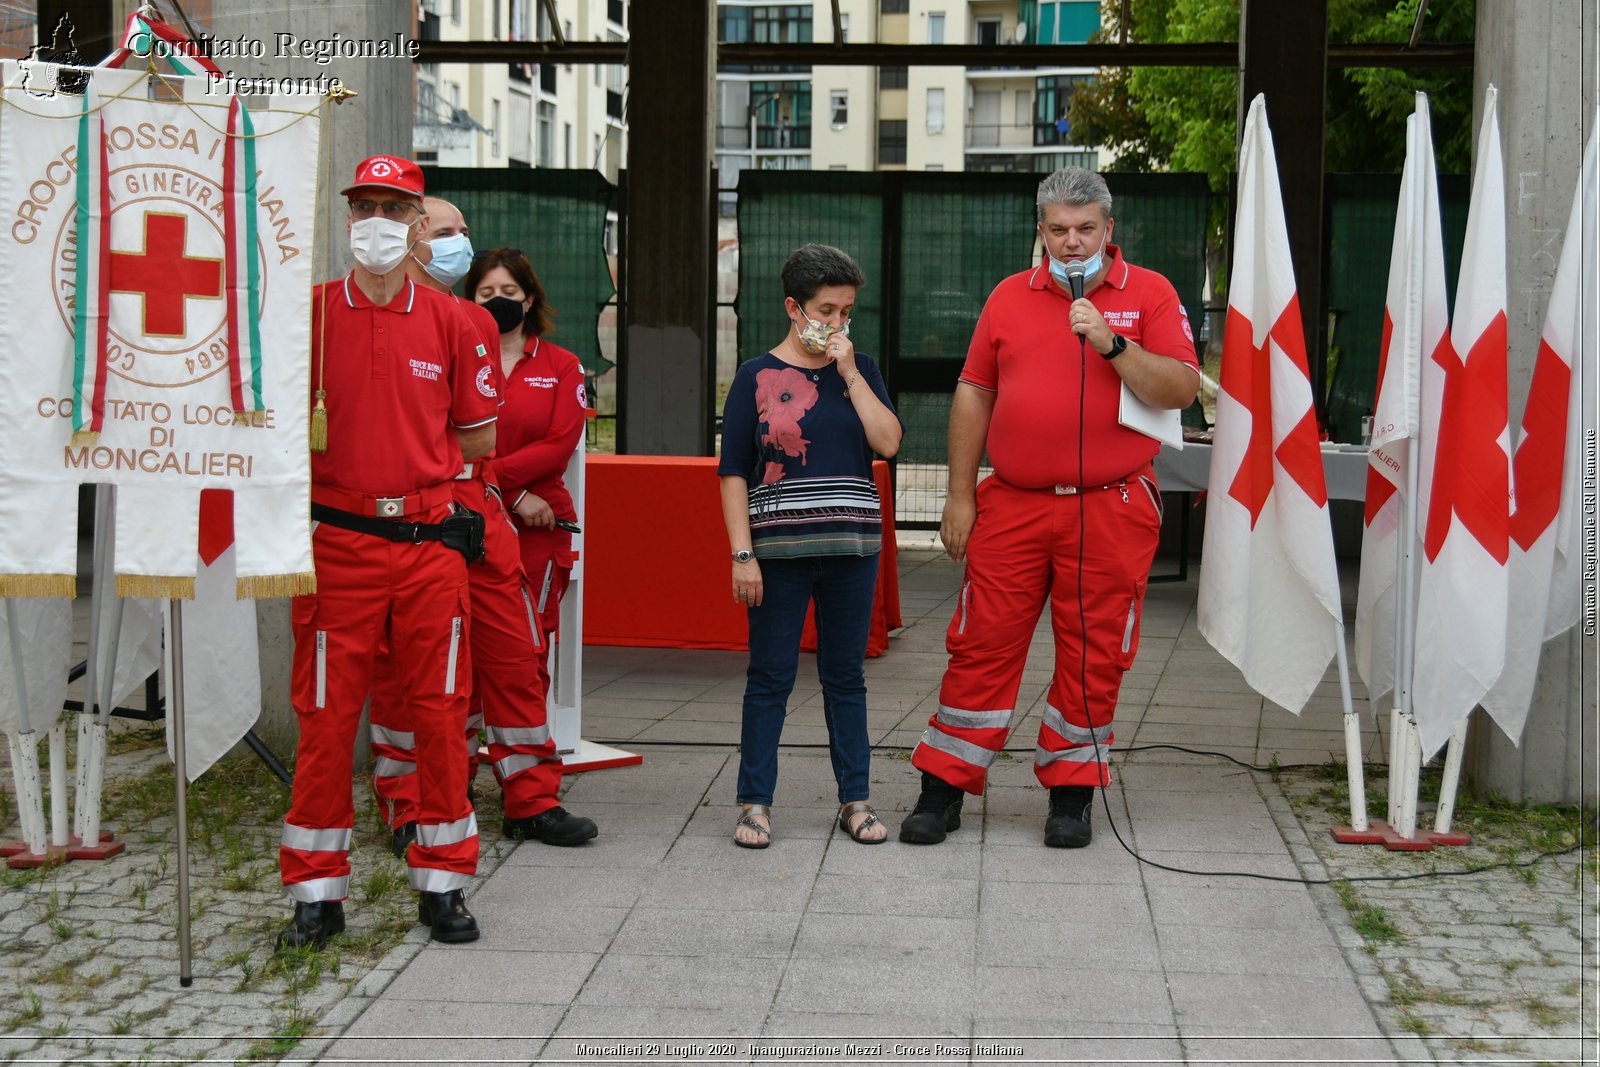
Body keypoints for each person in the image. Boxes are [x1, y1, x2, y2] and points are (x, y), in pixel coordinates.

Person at [899, 166, 1199, 849]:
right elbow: (974, 392)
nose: (1071, 243)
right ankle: (943, 788)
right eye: (1058, 230)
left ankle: (1072, 794)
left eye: (1085, 229)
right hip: (1014, 504)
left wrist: (1111, 342)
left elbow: (1180, 385)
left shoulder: (1148, 294)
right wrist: (958, 494)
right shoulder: (1008, 296)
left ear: (1109, 229)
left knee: (1095, 653)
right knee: (980, 643)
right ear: (1040, 232)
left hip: (1112, 505)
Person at [277, 156, 496, 950]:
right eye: (363, 206)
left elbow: (480, 435)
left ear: (414, 224)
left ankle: (443, 884)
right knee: (327, 717)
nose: (377, 221)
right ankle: (316, 891)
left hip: (430, 544)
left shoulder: (455, 321)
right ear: (347, 220)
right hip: (337, 544)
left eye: (393, 208)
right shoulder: (304, 316)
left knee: (440, 713)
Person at [367, 202, 597, 856]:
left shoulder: (472, 324)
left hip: (481, 511)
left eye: (462, 233)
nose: (460, 244)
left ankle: (531, 796)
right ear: (411, 239)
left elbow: (491, 434)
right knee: (416, 667)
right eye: (446, 234)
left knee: (515, 656)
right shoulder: (388, 323)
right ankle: (413, 801)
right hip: (415, 516)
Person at [717, 243, 903, 849]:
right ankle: (754, 803)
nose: (838, 322)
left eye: (847, 310)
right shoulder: (755, 376)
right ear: (794, 307)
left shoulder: (862, 369)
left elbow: (889, 442)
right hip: (778, 553)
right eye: (827, 309)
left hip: (852, 548)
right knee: (770, 676)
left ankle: (856, 799)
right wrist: (742, 554)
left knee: (845, 675)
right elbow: (734, 471)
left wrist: (849, 372)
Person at [458, 248, 597, 845]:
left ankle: (529, 799)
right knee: (454, 664)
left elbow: (559, 445)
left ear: (530, 298)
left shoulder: (562, 366)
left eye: (508, 290)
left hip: (540, 534)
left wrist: (491, 479)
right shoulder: (453, 356)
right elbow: (449, 442)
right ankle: (449, 788)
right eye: (485, 291)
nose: (498, 301)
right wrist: (506, 495)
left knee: (524, 661)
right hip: (466, 526)